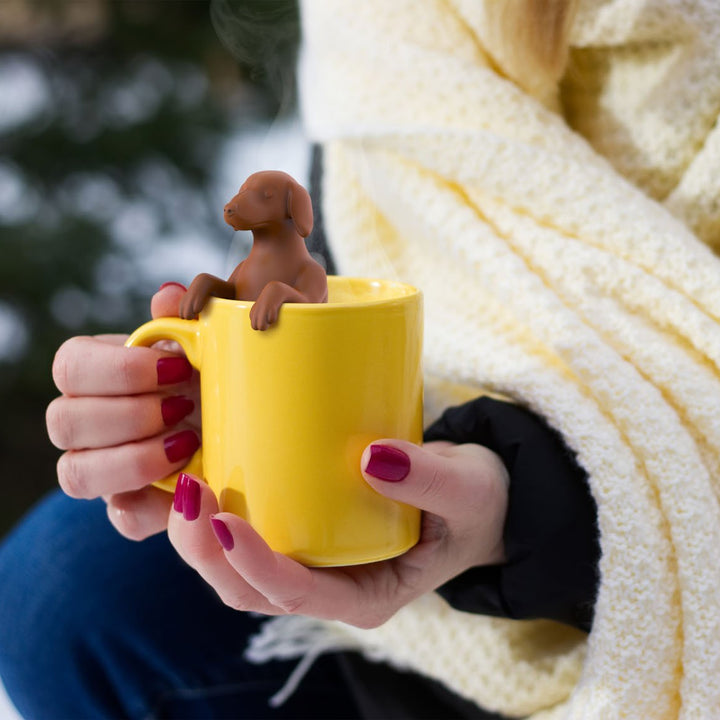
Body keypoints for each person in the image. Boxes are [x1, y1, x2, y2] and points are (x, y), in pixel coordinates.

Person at [2, 0, 720, 717]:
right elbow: (391, 253)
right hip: (425, 552)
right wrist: (213, 402)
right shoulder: (394, 23)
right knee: (61, 592)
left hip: (609, 576)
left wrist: (527, 505)